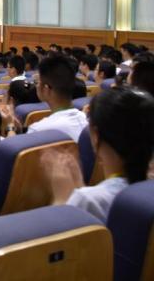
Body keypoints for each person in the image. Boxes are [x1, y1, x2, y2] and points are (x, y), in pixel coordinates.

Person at [46, 87, 154, 222]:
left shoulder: (88, 200)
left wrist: (61, 199)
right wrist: (82, 189)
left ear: (96, 136)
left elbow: (62, 231)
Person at [9, 55, 87, 142]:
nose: (36, 86)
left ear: (46, 89)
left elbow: (12, 147)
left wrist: (10, 126)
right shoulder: (87, 120)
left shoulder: (38, 130)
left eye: (37, 82)